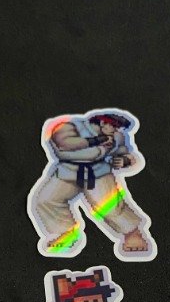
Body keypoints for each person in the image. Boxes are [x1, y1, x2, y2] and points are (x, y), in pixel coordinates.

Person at [29, 110, 155, 259]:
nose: (115, 130)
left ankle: (133, 234)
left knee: (110, 207)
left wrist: (124, 160)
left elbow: (122, 152)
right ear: (103, 123)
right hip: (68, 171)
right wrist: (97, 142)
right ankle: (65, 232)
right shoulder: (71, 127)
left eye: (117, 128)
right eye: (113, 126)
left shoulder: (115, 136)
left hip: (98, 173)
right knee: (47, 199)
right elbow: (64, 145)